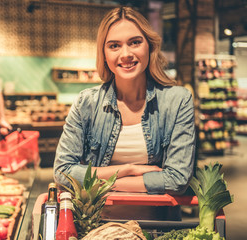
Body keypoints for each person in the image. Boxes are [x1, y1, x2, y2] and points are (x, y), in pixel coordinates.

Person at [54, 7, 195, 196]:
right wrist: (129, 169)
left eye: (135, 42)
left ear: (149, 46)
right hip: (97, 222)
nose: (126, 53)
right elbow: (63, 173)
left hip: (159, 222)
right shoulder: (86, 103)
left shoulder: (178, 101)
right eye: (114, 46)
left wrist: (100, 182)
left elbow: (177, 180)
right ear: (104, 54)